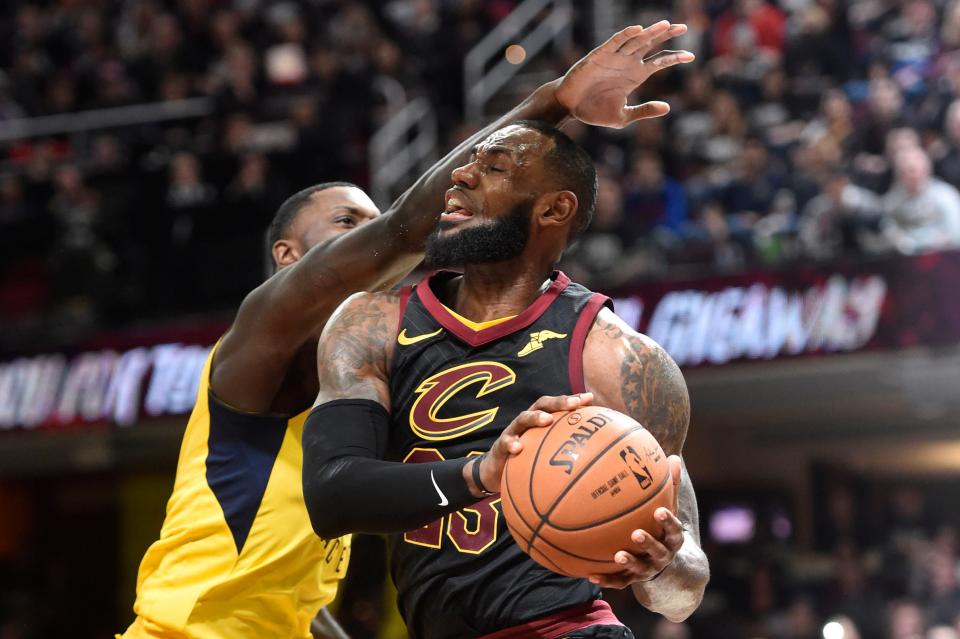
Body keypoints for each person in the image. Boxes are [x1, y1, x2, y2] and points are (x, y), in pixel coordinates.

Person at [119, 21, 693, 639]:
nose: (372, 247)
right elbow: (401, 231)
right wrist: (555, 100)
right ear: (289, 258)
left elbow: (295, 598)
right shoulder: (264, 332)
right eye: (346, 224)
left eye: (368, 222)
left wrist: (664, 565)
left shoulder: (376, 364)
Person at [301, 28, 707, 639]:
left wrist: (663, 564)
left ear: (553, 210)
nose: (459, 180)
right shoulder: (371, 323)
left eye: (491, 169)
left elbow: (682, 594)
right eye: (462, 167)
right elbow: (332, 496)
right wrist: (479, 475)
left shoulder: (622, 358)